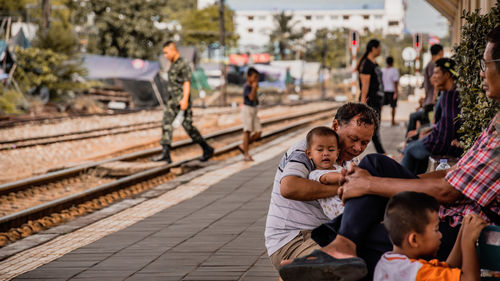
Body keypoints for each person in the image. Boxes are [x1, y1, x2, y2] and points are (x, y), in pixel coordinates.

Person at [279, 26, 500, 281]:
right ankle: (340, 245)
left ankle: (336, 247)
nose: (482, 74)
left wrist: (371, 184)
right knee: (375, 164)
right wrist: (373, 183)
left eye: (485, 65)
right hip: (445, 210)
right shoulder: (496, 121)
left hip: (459, 226)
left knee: (368, 228)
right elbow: (451, 177)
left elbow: (449, 191)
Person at [265, 102, 378, 271]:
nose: (357, 148)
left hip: (327, 234)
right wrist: (347, 188)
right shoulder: (307, 149)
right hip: (294, 238)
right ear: (335, 126)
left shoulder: (350, 160)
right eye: (353, 139)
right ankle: (293, 270)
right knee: (343, 268)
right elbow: (289, 187)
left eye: (364, 143)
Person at [375, 191, 485, 281]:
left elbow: (449, 268)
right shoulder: (417, 272)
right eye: (436, 229)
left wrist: (463, 231)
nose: (440, 235)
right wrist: (468, 242)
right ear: (414, 239)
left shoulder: (387, 262)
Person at [152, 41, 214, 163]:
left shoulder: (183, 63)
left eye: (166, 52)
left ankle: (206, 148)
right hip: (172, 101)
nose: (165, 55)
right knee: (167, 123)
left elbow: (187, 82)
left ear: (174, 50)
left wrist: (185, 100)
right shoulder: (173, 64)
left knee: (188, 127)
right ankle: (166, 153)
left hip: (181, 101)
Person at [401, 58, 463, 175]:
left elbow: (448, 130)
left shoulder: (451, 96)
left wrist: (426, 136)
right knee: (412, 147)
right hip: (437, 139)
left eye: (437, 73)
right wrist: (422, 132)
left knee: (409, 150)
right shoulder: (446, 93)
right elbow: (440, 123)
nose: (433, 76)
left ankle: (402, 183)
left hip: (441, 143)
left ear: (448, 75)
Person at [306, 127, 345, 220]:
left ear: (337, 153)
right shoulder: (315, 174)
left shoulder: (340, 168)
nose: (326, 153)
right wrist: (346, 176)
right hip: (339, 214)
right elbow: (327, 178)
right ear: (309, 154)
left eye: (331, 150)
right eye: (320, 150)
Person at [406, 44, 444, 138]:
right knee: (427, 130)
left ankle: (410, 142)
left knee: (425, 129)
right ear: (440, 52)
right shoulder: (433, 64)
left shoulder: (430, 64)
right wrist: (435, 98)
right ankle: (409, 143)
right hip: (431, 103)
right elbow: (434, 82)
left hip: (429, 102)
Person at [357, 39, 385, 154]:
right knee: (373, 129)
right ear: (373, 48)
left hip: (376, 100)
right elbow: (364, 86)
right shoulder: (367, 64)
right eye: (379, 47)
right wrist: (363, 104)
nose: (380, 50)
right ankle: (382, 153)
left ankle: (382, 153)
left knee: (374, 128)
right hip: (370, 101)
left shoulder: (374, 63)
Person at [238, 67, 262, 161]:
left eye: (257, 78)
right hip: (247, 110)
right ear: (248, 77)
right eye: (254, 77)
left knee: (258, 132)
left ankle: (243, 145)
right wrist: (253, 88)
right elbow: (251, 98)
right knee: (247, 132)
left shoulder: (254, 87)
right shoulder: (247, 87)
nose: (256, 79)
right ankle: (246, 154)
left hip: (253, 110)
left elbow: (255, 100)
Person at [381, 57, 400, 126]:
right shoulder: (394, 71)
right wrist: (396, 92)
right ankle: (392, 121)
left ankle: (378, 119)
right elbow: (395, 82)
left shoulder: (382, 70)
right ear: (392, 62)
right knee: (393, 107)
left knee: (381, 106)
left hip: (383, 91)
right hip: (392, 91)